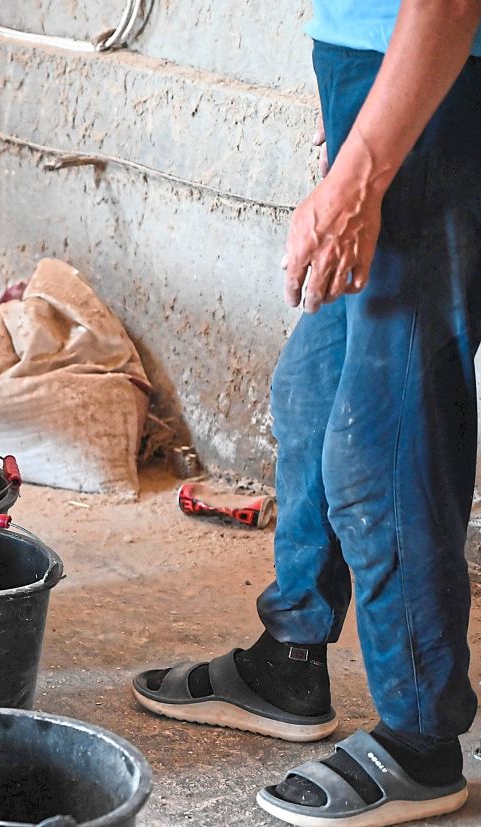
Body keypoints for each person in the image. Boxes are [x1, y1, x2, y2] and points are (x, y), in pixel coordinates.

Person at [131, 1, 481, 825]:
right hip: (377, 76)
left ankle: (421, 738)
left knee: (386, 435)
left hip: (439, 85)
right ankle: (291, 660)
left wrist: (367, 164)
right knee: (313, 394)